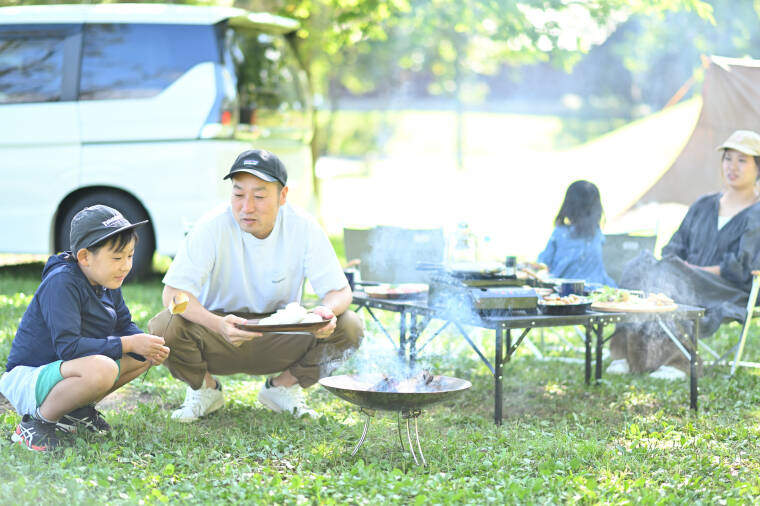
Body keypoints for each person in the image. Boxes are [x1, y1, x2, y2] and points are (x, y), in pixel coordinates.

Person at [148, 148, 363, 422]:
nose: (246, 207)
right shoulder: (212, 226)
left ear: (282, 196)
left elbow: (339, 290)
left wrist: (325, 312)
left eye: (259, 196)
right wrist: (218, 325)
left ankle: (284, 388)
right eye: (238, 194)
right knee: (164, 324)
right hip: (218, 331)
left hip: (280, 332)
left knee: (350, 325)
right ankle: (205, 388)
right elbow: (174, 294)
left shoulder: (303, 227)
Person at [0, 205, 170, 451]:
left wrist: (145, 344)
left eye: (130, 256)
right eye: (117, 257)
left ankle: (74, 413)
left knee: (141, 354)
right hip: (29, 379)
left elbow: (123, 324)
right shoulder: (62, 282)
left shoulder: (107, 279)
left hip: (65, 372)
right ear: (84, 257)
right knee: (104, 367)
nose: (125, 266)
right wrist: (129, 343)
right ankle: (35, 425)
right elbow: (69, 347)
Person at [609, 129, 760, 379]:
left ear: (757, 167)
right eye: (727, 158)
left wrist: (688, 270)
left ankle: (679, 362)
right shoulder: (704, 204)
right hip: (683, 274)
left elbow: (742, 268)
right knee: (641, 266)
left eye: (742, 160)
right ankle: (624, 354)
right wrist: (680, 266)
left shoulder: (757, 213)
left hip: (729, 289)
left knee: (672, 274)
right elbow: (674, 246)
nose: (732, 166)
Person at [538, 180, 616, 287]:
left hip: (565, 291)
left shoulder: (560, 233)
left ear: (568, 206)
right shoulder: (597, 235)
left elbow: (543, 262)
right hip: (598, 288)